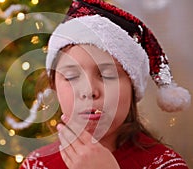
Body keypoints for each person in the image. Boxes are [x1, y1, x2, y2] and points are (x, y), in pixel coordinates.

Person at [19, 0, 191, 168]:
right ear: (54, 86)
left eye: (107, 75)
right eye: (71, 76)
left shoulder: (166, 164)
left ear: (132, 87)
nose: (89, 91)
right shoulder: (36, 164)